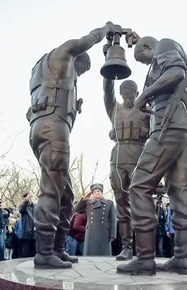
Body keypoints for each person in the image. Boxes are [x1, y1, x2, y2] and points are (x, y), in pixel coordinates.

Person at [27, 22, 117, 269]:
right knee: (51, 190)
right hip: (52, 128)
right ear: (77, 59)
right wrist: (105, 30)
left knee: (65, 194)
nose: (79, 74)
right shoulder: (63, 54)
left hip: (40, 128)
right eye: (82, 69)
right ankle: (44, 253)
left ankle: (57, 249)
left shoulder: (40, 70)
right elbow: (86, 40)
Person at [116, 33, 187, 276]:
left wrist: (143, 95)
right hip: (182, 127)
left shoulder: (164, 44)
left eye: (143, 59)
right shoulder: (167, 49)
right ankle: (182, 259)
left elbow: (175, 73)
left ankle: (144, 259)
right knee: (179, 189)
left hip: (168, 125)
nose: (145, 64)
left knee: (139, 186)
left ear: (148, 47)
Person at [102, 48, 150, 260]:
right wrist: (109, 66)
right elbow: (106, 92)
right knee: (121, 204)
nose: (127, 98)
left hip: (139, 158)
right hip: (118, 160)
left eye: (131, 95)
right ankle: (127, 247)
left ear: (137, 94)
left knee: (139, 203)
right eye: (124, 95)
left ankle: (144, 249)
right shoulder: (114, 108)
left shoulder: (146, 109)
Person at [75, 184, 117, 256]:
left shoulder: (109, 203)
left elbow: (113, 220)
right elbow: (76, 210)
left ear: (102, 192)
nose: (97, 193)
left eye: (99, 191)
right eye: (95, 192)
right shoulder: (88, 203)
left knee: (104, 256)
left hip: (104, 232)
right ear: (92, 194)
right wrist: (83, 200)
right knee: (89, 256)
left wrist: (113, 234)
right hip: (91, 232)